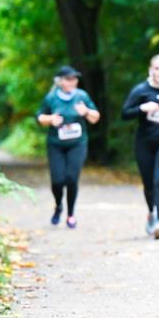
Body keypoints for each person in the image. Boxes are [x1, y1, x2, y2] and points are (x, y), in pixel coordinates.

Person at [36, 66, 100, 229]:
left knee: (71, 178)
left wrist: (85, 112)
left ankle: (71, 214)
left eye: (75, 79)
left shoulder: (81, 96)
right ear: (60, 81)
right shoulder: (51, 98)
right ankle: (58, 206)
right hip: (56, 145)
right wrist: (50, 119)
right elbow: (39, 117)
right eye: (68, 79)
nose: (72, 82)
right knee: (57, 181)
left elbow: (96, 117)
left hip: (77, 144)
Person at [121, 54, 159, 239]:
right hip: (144, 142)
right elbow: (125, 114)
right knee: (149, 184)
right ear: (150, 70)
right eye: (157, 68)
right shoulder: (141, 90)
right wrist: (142, 109)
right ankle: (151, 213)